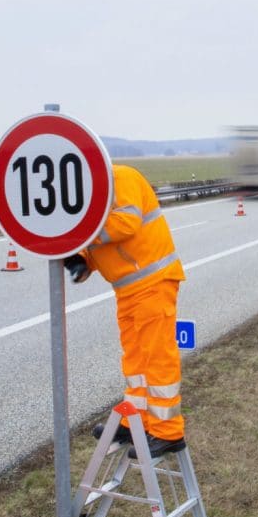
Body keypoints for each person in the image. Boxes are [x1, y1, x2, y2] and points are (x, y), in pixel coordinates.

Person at [63, 163, 187, 459]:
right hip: (127, 290)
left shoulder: (120, 178)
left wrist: (78, 239)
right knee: (135, 361)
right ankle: (137, 422)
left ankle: (168, 432)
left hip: (153, 282)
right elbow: (99, 238)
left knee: (157, 358)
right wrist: (81, 259)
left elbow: (124, 224)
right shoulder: (88, 195)